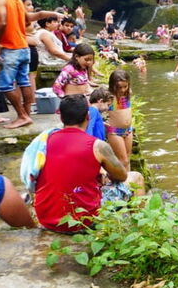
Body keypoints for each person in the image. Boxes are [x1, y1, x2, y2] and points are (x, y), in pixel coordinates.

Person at [33, 95, 133, 233]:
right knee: (135, 178)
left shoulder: (44, 142)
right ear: (87, 116)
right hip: (84, 220)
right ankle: (139, 232)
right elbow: (122, 176)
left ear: (61, 117)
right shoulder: (98, 146)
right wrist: (105, 173)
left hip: (47, 219)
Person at [0, 0, 61, 129]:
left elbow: (3, 21)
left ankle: (21, 115)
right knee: (24, 82)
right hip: (24, 48)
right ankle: (26, 115)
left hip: (10, 48)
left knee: (5, 85)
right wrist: (52, 13)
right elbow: (30, 17)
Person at [107, 70, 134, 170]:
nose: (122, 90)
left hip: (128, 130)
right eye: (119, 87)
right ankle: (119, 179)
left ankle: (128, 178)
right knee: (123, 160)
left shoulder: (128, 94)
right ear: (113, 86)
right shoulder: (110, 97)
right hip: (115, 132)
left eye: (125, 86)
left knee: (128, 158)